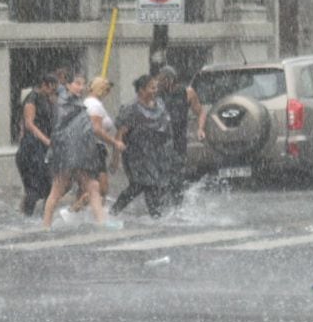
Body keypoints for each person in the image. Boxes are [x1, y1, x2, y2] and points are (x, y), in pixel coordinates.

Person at [42, 76, 120, 229]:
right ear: (68, 85)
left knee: (93, 186)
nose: (81, 87)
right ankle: (46, 224)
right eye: (77, 83)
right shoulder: (65, 102)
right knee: (58, 189)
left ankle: (102, 221)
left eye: (83, 84)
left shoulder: (76, 103)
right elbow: (64, 130)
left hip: (79, 154)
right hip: (67, 154)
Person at [112, 73, 173, 217]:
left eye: (156, 87)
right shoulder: (131, 109)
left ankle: (154, 214)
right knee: (142, 184)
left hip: (155, 153)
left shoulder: (159, 103)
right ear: (141, 90)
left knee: (150, 185)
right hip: (136, 155)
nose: (155, 90)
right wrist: (115, 158)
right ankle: (154, 215)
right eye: (152, 88)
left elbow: (165, 126)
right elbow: (120, 134)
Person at [155, 64, 203, 200]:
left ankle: (178, 203)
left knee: (177, 175)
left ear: (170, 79)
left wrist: (200, 128)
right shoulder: (157, 95)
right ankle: (163, 202)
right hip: (161, 141)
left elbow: (200, 112)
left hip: (179, 141)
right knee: (162, 175)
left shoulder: (187, 92)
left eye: (162, 79)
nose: (159, 82)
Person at [16, 74, 57, 217]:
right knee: (34, 188)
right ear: (44, 85)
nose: (53, 90)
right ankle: (26, 217)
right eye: (51, 87)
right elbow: (29, 124)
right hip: (31, 148)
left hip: (42, 149)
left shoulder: (47, 100)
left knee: (47, 186)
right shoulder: (32, 98)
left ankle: (42, 218)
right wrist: (46, 140)